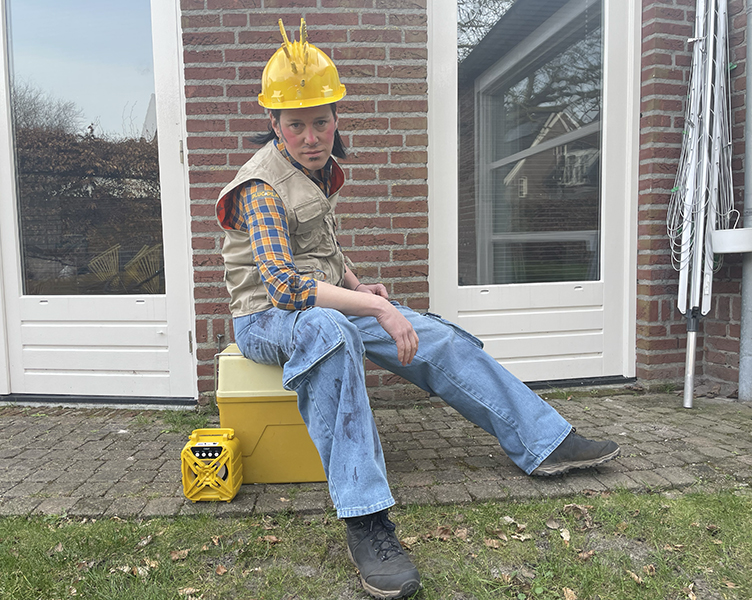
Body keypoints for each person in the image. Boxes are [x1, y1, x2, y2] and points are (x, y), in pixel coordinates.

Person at [216, 19, 620, 600]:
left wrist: (362, 287)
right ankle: (366, 521)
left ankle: (544, 440)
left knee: (434, 335)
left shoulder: (316, 172)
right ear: (275, 124)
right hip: (265, 319)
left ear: (336, 116)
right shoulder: (260, 186)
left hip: (323, 304)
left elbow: (322, 250)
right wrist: (371, 308)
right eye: (296, 124)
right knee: (332, 332)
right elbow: (283, 285)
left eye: (321, 121)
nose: (311, 136)